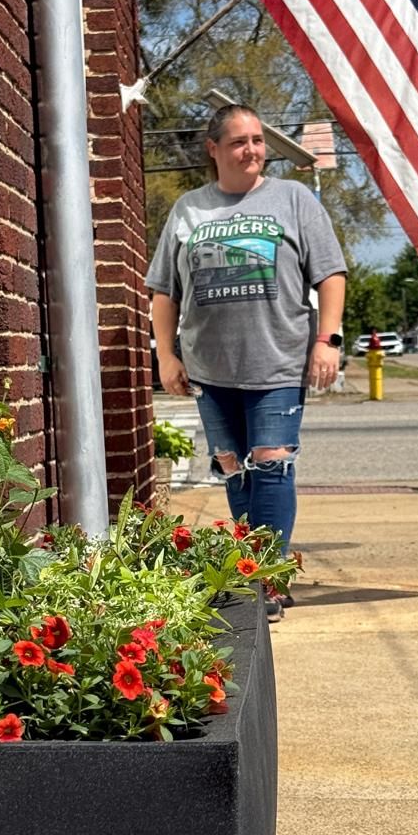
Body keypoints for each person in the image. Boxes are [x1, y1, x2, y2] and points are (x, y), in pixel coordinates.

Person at [146, 102, 346, 622]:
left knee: (272, 463)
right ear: (214, 149)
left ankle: (268, 579)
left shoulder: (293, 199)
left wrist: (329, 339)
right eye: (239, 141)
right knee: (235, 471)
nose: (252, 150)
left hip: (278, 359)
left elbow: (330, 274)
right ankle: (247, 570)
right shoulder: (189, 209)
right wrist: (165, 355)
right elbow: (164, 292)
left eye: (257, 140)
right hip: (210, 368)